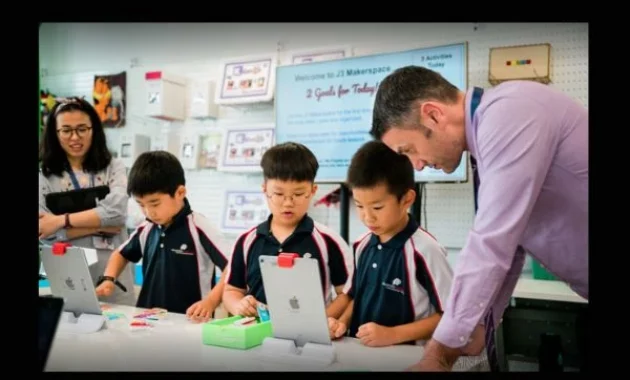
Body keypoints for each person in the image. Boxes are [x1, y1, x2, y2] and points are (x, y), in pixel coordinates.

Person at [370, 66, 588, 371]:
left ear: (433, 115)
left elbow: (492, 242)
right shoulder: (489, 139)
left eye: (410, 150)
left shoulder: (509, 113)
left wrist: (439, 353)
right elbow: (511, 246)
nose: (417, 165)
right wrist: (478, 326)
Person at [327, 140, 454, 348]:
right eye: (359, 206)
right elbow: (355, 297)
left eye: (377, 207)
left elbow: (450, 315)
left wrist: (392, 335)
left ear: (406, 199)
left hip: (408, 359)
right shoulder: (362, 245)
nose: (368, 217)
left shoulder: (425, 250)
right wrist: (341, 323)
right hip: (362, 355)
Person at [222, 142, 354, 318]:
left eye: (298, 194)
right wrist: (239, 305)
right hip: (256, 337)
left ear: (313, 190)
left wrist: (321, 323)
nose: (288, 203)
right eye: (278, 194)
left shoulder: (329, 241)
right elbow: (231, 290)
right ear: (264, 189)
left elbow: (346, 294)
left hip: (311, 340)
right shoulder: (246, 240)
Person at [95, 151, 230, 321]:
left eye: (155, 203)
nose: (148, 212)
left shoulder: (200, 227)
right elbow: (120, 254)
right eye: (141, 204)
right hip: (146, 320)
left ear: (180, 193)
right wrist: (109, 278)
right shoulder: (147, 227)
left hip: (191, 322)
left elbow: (232, 267)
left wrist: (210, 302)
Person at [39, 97, 135, 306]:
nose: (75, 137)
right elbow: (44, 232)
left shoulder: (114, 167)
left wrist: (59, 221)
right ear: (55, 134)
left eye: (82, 129)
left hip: (112, 273)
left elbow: (117, 213)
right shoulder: (43, 176)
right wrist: (103, 224)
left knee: (121, 335)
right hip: (68, 273)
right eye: (66, 130)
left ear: (94, 130)